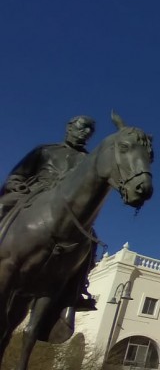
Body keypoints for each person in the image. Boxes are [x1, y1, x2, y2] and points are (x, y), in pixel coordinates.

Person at [0, 115, 97, 310]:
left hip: (64, 208)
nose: (85, 132)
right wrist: (15, 184)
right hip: (32, 193)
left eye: (89, 131)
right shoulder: (45, 150)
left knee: (91, 241)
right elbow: (18, 174)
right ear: (69, 127)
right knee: (2, 205)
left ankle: (77, 289)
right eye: (82, 127)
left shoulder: (88, 161)